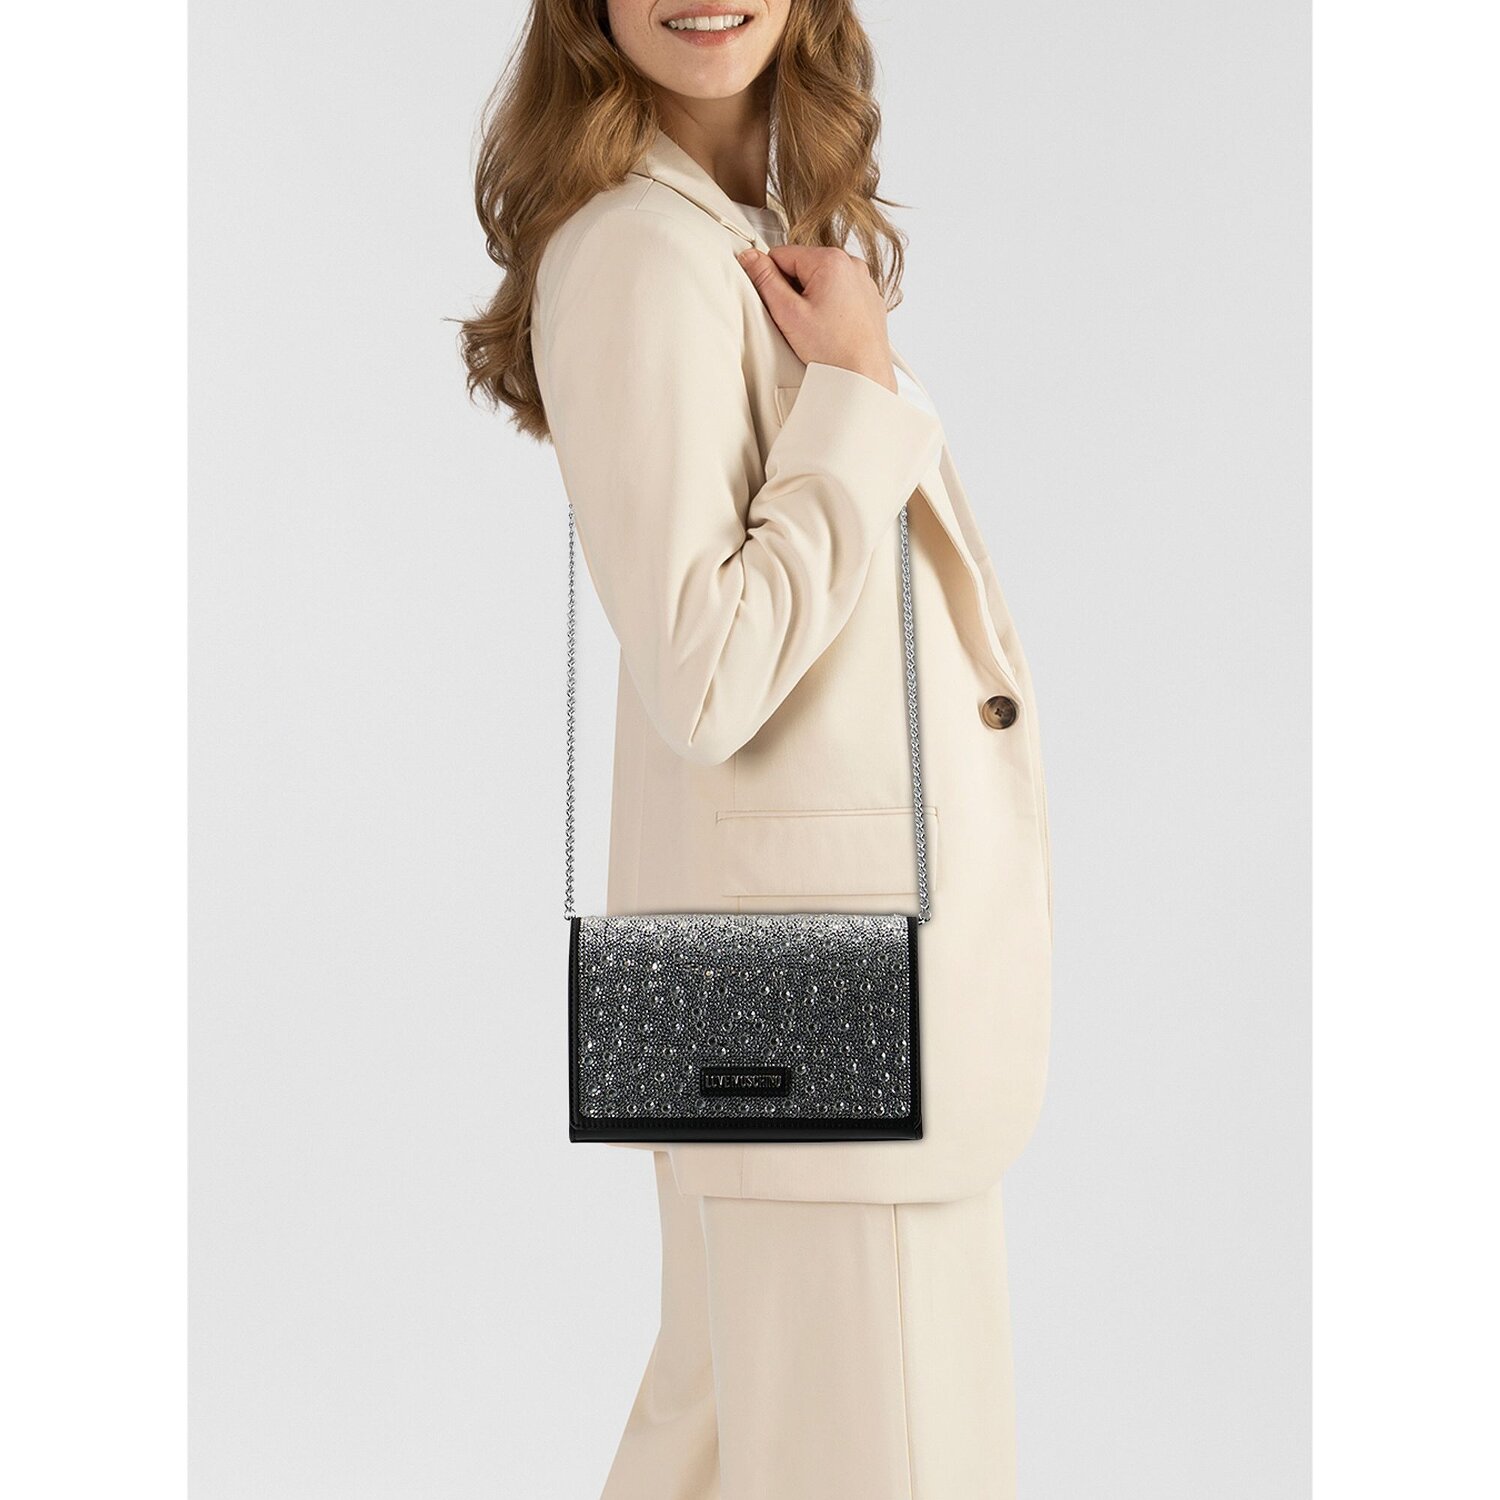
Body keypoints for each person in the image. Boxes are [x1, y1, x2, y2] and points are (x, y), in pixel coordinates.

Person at [461, 3, 1052, 1495]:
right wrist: (853, 392)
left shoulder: (727, 230)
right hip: (825, 1001)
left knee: (726, 1452)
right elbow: (708, 672)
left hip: (794, 989)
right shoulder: (642, 256)